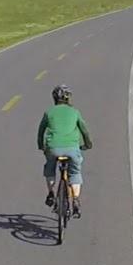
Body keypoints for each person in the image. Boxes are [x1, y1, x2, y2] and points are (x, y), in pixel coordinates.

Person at [38, 84, 93, 218]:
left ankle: (51, 193)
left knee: (50, 169)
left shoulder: (49, 112)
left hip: (53, 148)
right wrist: (87, 144)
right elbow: (84, 130)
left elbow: (41, 132)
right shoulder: (74, 112)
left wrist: (41, 146)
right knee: (75, 172)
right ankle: (75, 199)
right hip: (72, 149)